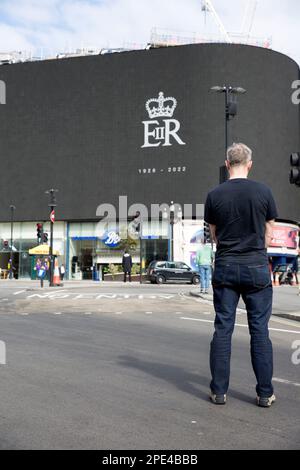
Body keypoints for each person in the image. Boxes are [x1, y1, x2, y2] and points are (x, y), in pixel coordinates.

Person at [204, 143, 278, 408]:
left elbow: (214, 234)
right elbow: (270, 231)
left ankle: (219, 392)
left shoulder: (214, 195)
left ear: (227, 165)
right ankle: (265, 393)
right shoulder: (264, 192)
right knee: (260, 330)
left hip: (225, 266)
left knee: (223, 328)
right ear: (249, 164)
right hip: (256, 266)